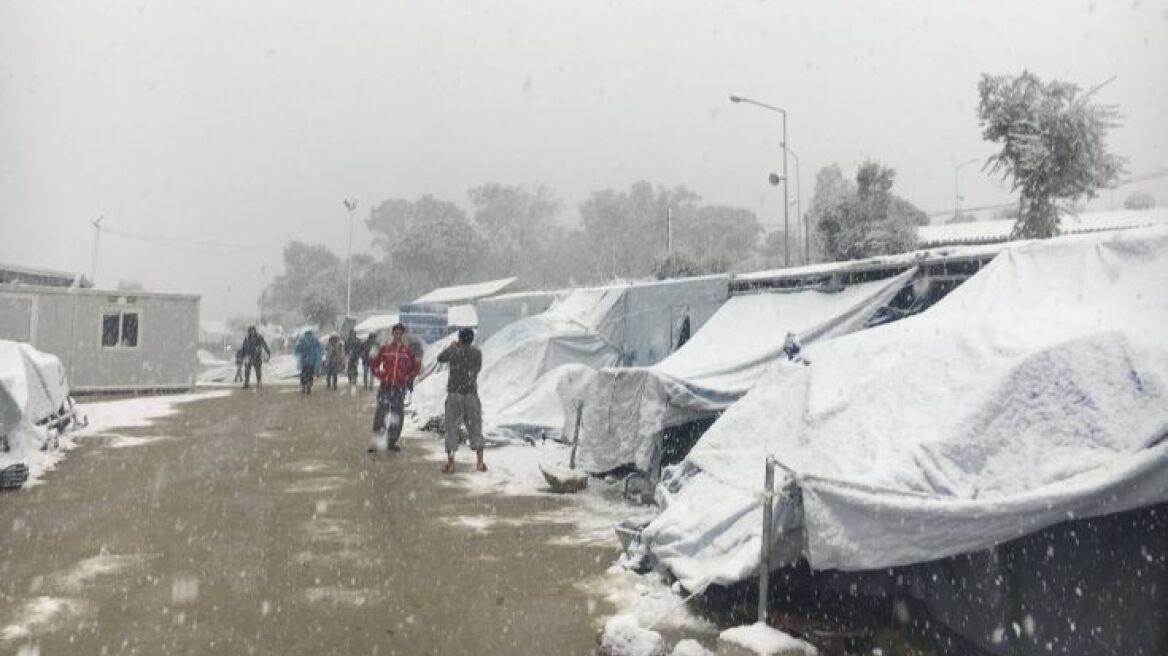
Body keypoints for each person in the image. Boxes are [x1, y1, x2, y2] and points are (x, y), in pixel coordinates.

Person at [437, 328, 484, 474]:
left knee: (452, 428)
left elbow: (440, 358)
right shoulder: (477, 353)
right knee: (475, 427)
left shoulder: (453, 351)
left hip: (455, 394)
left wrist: (453, 347)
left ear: (460, 338)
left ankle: (451, 464)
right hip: (471, 394)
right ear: (471, 339)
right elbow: (477, 369)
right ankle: (480, 462)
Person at [369, 323, 419, 451]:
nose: (398, 336)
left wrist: (408, 377)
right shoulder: (385, 349)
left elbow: (415, 368)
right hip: (386, 386)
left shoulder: (407, 352)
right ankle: (377, 442)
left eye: (400, 333)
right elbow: (374, 364)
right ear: (393, 334)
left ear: (403, 335)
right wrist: (381, 375)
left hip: (399, 388)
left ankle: (391, 441)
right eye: (396, 333)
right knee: (380, 414)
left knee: (396, 415)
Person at [295, 329, 323, 395]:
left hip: (304, 362)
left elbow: (297, 350)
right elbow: (319, 351)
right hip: (312, 362)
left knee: (303, 374)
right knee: (310, 375)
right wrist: (318, 362)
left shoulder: (302, 340)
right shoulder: (315, 341)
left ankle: (303, 387)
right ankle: (309, 386)